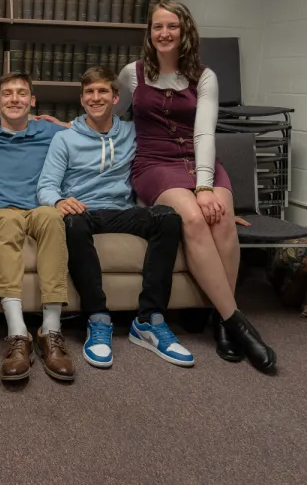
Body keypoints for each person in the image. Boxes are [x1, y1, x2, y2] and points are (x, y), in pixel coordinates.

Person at [116, 0, 276, 372]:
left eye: (172, 26)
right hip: (154, 164)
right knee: (191, 218)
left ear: (185, 31)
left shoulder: (204, 77)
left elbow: (204, 132)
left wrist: (205, 186)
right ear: (149, 33)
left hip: (199, 161)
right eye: (158, 27)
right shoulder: (132, 73)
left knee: (220, 217)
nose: (164, 33)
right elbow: (108, 111)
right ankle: (239, 324)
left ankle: (221, 321)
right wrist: (63, 127)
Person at [38, 66, 194, 369]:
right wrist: (58, 200)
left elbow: (171, 158)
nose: (96, 97)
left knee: (168, 218)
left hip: (123, 210)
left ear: (115, 97)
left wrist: (202, 196)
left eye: (102, 92)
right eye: (89, 92)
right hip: (84, 211)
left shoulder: (133, 133)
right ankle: (98, 320)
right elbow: (46, 185)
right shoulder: (65, 139)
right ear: (82, 99)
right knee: (71, 222)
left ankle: (149, 320)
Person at [0, 72, 72, 382]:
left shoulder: (49, 131)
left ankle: (51, 330)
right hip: (3, 209)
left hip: (38, 207)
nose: (14, 99)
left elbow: (83, 129)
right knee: (5, 224)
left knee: (53, 218)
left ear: (32, 101)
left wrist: (59, 121)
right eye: (7, 94)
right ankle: (18, 334)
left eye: (22, 94)